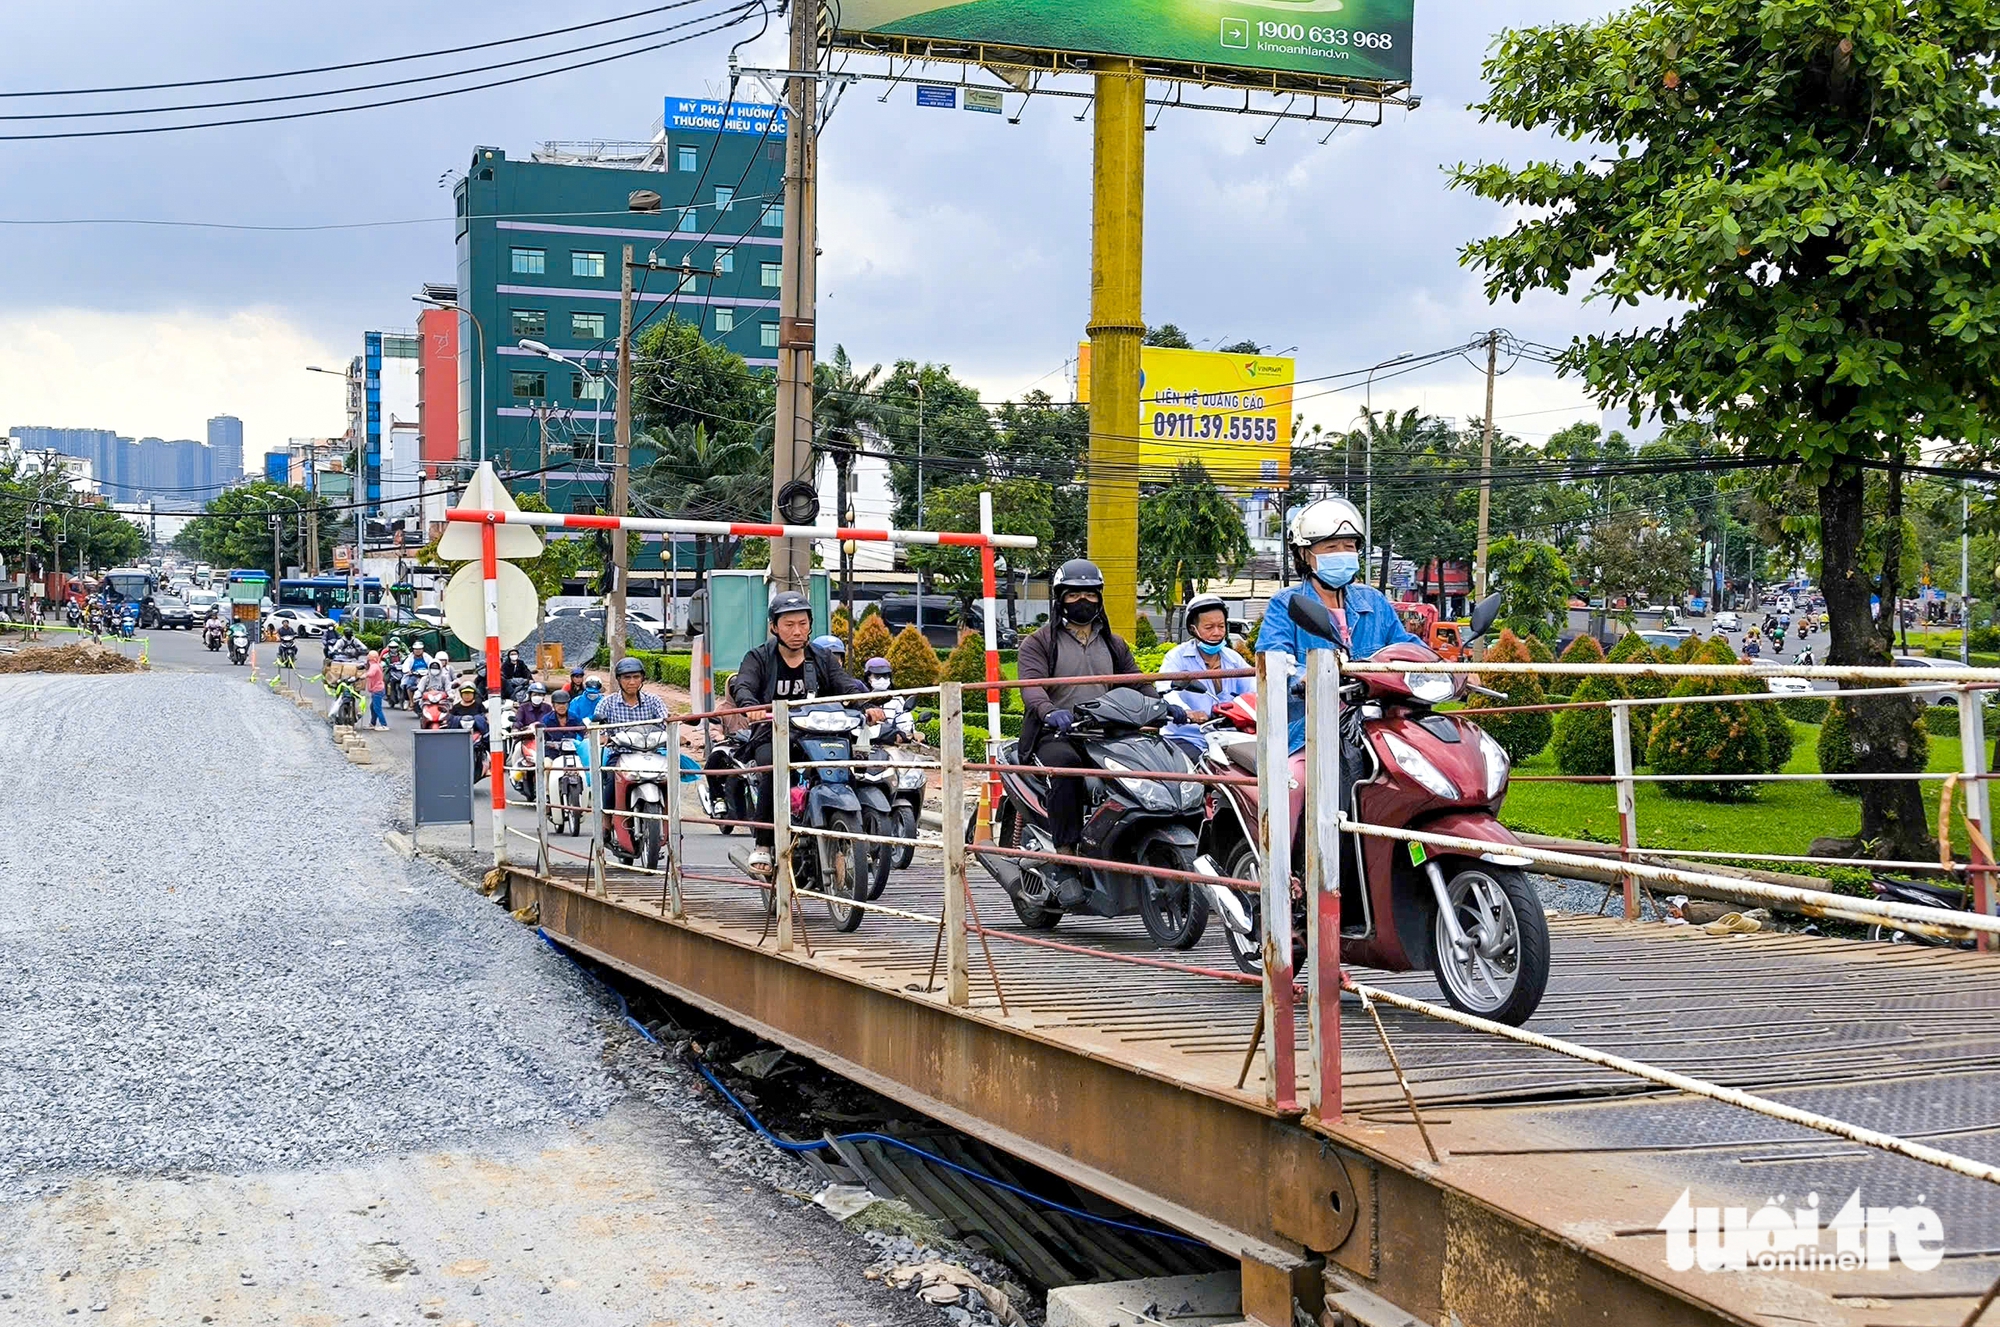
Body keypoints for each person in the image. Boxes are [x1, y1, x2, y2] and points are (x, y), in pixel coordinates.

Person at [728, 591, 881, 876]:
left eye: (802, 623)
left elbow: (846, 685)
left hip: (821, 733)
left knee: (858, 766)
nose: (797, 631)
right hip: (774, 732)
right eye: (788, 624)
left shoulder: (822, 658)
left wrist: (868, 704)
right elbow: (744, 686)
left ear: (810, 625)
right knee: (773, 770)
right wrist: (752, 708)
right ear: (774, 626)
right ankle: (763, 843)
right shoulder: (759, 657)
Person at [1018, 560, 1141, 902]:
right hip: (1056, 734)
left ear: (1100, 598)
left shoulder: (1113, 643)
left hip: (1106, 733)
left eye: (1090, 593)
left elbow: (1137, 681)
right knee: (1068, 771)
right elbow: (1031, 687)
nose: (1083, 601)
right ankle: (1065, 857)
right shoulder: (1039, 642)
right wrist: (1049, 711)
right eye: (1074, 594)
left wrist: (1162, 704)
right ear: (1059, 599)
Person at [1255, 497, 1419, 754]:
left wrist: (1449, 668)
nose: (1342, 553)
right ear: (1304, 554)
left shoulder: (1373, 600)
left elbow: (1406, 647)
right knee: (1297, 788)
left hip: (1378, 728)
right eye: (1331, 547)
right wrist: (1305, 678)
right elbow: (1275, 661)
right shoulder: (1286, 604)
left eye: (1349, 546)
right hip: (1308, 734)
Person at [1159, 593, 1254, 719]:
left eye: (1221, 626)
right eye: (1209, 627)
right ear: (1193, 629)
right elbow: (1165, 690)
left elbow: (1254, 690)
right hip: (1187, 735)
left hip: (1227, 734)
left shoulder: (1234, 659)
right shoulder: (1176, 657)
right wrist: (1186, 712)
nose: (1217, 633)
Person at [364, 650, 389, 729]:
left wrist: (364, 675)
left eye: (369, 655)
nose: (367, 656)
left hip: (377, 690)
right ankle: (372, 723)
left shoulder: (374, 666)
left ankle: (384, 724)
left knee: (377, 708)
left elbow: (371, 673)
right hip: (377, 689)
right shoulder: (375, 664)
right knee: (373, 707)